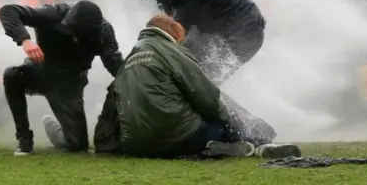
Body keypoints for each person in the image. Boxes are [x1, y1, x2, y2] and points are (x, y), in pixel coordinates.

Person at [91, 14, 301, 159]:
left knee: (202, 115)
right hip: (181, 137)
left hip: (139, 146)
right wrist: (232, 121)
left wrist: (105, 145)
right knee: (223, 109)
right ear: (174, 34)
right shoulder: (173, 53)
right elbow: (207, 97)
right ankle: (261, 143)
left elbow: (107, 118)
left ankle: (217, 147)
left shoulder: (126, 64)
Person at [0, 0, 124, 155]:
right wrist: (24, 39)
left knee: (77, 145)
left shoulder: (105, 31)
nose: (76, 40)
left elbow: (114, 62)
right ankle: (24, 138)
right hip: (40, 71)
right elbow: (7, 11)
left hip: (69, 84)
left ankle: (52, 127)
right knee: (12, 76)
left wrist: (130, 81)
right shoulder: (53, 14)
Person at [135, 0, 265, 83]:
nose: (159, 1)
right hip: (220, 27)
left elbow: (173, 34)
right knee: (191, 63)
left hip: (247, 32)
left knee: (206, 78)